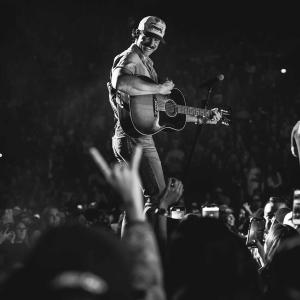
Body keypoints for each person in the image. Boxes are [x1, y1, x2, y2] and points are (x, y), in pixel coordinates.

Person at [107, 16, 222, 213]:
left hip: (134, 137)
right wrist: (159, 87)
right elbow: (122, 83)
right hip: (134, 138)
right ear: (137, 33)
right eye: (148, 36)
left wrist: (202, 116)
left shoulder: (146, 64)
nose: (152, 43)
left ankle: (136, 243)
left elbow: (169, 112)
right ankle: (155, 243)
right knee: (159, 198)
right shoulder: (130, 57)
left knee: (136, 205)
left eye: (157, 39)